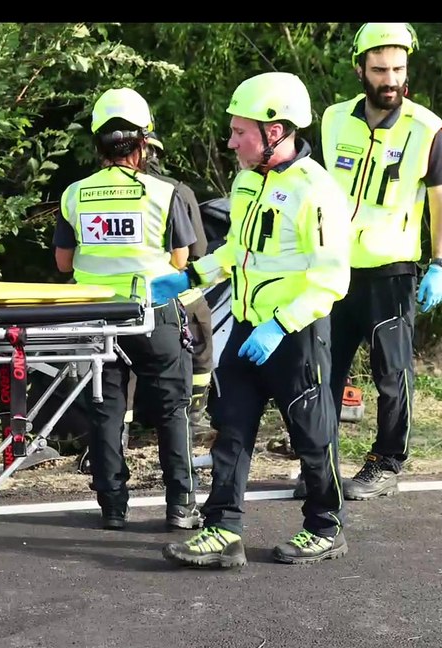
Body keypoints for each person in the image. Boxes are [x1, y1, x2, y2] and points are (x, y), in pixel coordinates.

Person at [150, 71, 352, 567]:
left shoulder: (316, 190)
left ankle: (325, 527)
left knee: (312, 435)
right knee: (231, 428)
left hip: (295, 334)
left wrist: (279, 326)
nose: (231, 141)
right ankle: (223, 529)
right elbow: (239, 250)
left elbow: (332, 279)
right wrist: (190, 276)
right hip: (246, 326)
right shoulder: (246, 181)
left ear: (274, 132)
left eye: (240, 132)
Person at [303, 22, 442, 501]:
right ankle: (320, 463)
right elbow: (313, 187)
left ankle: (387, 462)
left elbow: (441, 202)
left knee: (392, 374)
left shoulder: (426, 129)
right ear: (360, 70)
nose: (391, 80)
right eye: (380, 70)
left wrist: (440, 263)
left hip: (392, 271)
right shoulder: (333, 119)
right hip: (334, 267)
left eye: (398, 69)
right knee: (324, 370)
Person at [53, 87, 203, 532]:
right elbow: (181, 259)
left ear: (98, 142)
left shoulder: (75, 194)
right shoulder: (164, 192)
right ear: (143, 142)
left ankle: (113, 507)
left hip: (96, 316)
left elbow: (63, 263)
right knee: (172, 409)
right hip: (152, 311)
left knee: (106, 409)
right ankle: (180, 506)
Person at [145, 130, 215, 440]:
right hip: (172, 293)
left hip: (114, 298)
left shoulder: (92, 190)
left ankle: (124, 427)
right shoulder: (176, 191)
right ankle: (194, 419)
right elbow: (197, 251)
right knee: (200, 332)